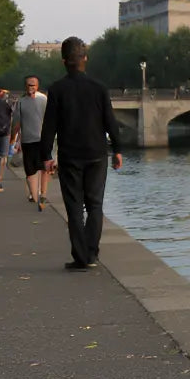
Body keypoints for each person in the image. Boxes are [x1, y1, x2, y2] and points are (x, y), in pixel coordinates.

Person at [39, 37, 122, 270]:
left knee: (74, 206)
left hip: (70, 155)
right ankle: (92, 253)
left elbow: (50, 125)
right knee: (95, 204)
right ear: (85, 58)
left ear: (63, 61)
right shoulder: (99, 88)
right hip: (96, 153)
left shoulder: (57, 89)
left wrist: (46, 155)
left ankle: (80, 255)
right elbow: (110, 122)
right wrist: (118, 149)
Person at [11, 75, 50, 208]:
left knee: (44, 168)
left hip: (43, 139)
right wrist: (13, 139)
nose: (31, 87)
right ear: (25, 86)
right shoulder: (21, 102)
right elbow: (16, 123)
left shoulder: (44, 99)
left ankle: (43, 195)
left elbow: (51, 119)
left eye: (33, 85)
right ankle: (35, 196)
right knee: (30, 170)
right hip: (28, 140)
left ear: (37, 86)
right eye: (28, 85)